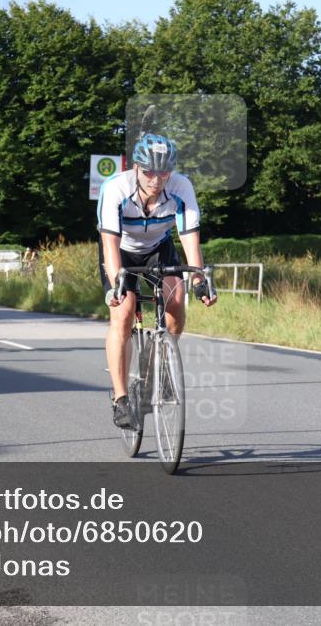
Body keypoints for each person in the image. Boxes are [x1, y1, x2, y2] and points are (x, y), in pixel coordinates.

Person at [97, 131, 217, 429]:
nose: (156, 178)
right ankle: (121, 399)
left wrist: (199, 279)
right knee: (123, 312)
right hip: (121, 251)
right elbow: (109, 244)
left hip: (158, 249)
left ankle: (159, 368)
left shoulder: (181, 187)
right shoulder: (115, 189)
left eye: (163, 171)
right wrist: (117, 285)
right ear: (135, 167)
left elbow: (189, 238)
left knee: (176, 304)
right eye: (149, 171)